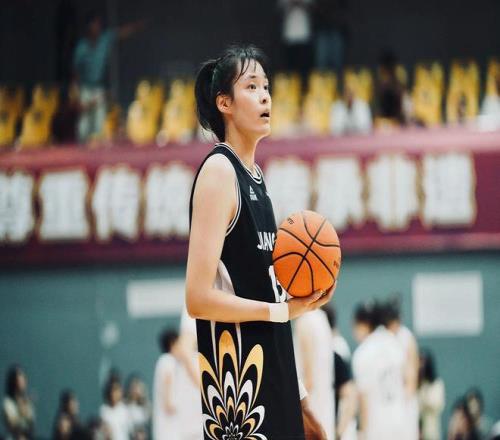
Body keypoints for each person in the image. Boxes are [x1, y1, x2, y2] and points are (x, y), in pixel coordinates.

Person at [186, 45, 334, 440]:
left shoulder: (256, 179)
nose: (265, 96)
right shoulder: (219, 172)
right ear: (225, 103)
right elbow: (197, 298)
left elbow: (268, 299)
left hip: (276, 381)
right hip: (240, 397)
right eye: (251, 87)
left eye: (266, 86)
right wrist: (282, 311)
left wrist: (300, 399)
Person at [72, 10, 144, 143]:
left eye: (98, 24)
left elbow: (120, 33)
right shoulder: (81, 47)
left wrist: (138, 25)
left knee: (99, 123)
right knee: (84, 126)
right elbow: (75, 73)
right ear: (88, 27)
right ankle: (82, 151)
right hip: (85, 90)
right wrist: (76, 95)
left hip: (99, 89)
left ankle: (96, 153)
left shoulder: (104, 40)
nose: (97, 27)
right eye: (94, 24)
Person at [352, 301, 407, 440]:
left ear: (363, 325)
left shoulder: (363, 353)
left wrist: (362, 432)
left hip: (376, 426)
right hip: (400, 420)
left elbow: (364, 398)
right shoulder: (394, 343)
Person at [294, 309, 335, 439]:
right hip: (326, 399)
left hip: (311, 402)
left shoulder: (304, 321)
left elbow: (309, 378)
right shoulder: (322, 317)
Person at [383, 296, 419, 440]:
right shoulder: (384, 338)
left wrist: (405, 399)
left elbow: (412, 372)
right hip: (387, 398)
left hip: (404, 399)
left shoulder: (406, 337)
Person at [278, 0, 314, 83]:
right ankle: (292, 86)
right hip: (289, 34)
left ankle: (304, 86)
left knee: (304, 65)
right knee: (290, 65)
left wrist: (300, 3)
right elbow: (279, 7)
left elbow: (312, 6)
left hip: (304, 34)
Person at [312, 0, 349, 72]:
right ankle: (323, 79)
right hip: (321, 28)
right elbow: (315, 8)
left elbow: (343, 8)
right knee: (322, 61)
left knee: (337, 61)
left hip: (337, 28)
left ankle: (337, 78)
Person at [418, 349, 445, 440]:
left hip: (430, 431)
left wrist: (423, 396)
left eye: (423, 361)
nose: (421, 365)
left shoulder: (436, 383)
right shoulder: (416, 383)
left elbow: (436, 404)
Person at [2, 365, 35, 440]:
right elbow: (11, 424)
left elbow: (31, 424)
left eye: (23, 379)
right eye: (19, 380)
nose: (23, 382)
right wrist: (21, 412)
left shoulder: (27, 402)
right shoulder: (8, 403)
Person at [99, 375, 130, 440]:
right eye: (113, 390)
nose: (114, 393)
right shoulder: (104, 410)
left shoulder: (125, 409)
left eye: (117, 390)